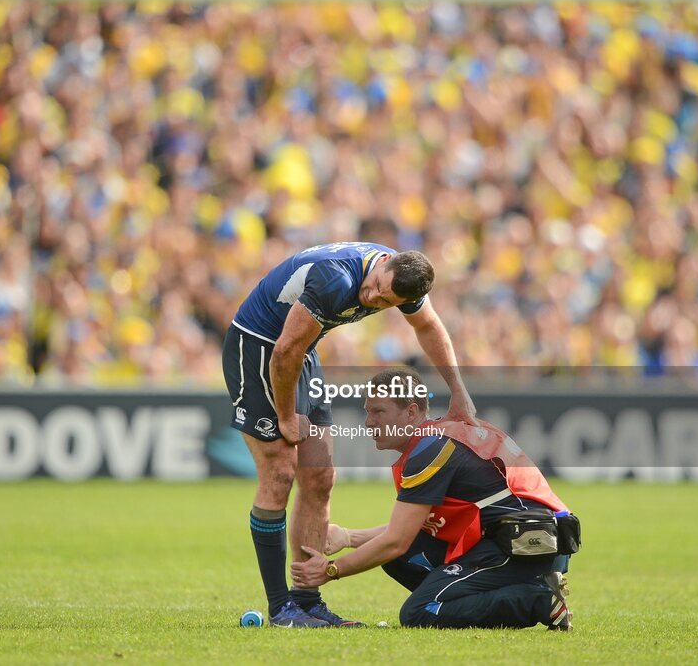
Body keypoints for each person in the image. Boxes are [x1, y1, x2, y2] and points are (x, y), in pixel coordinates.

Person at [222, 243, 478, 627]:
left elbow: (427, 326)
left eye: (385, 301)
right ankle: (281, 608)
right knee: (280, 472)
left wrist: (458, 391)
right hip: (261, 348)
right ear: (384, 263)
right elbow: (284, 351)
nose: (372, 297)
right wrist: (287, 416)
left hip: (301, 352)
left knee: (321, 476)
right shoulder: (336, 279)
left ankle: (307, 601)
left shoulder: (402, 278)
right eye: (376, 287)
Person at [291, 367, 578, 630]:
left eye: (378, 411)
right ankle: (517, 589)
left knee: (419, 612)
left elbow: (396, 539)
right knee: (397, 559)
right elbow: (408, 531)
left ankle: (536, 598)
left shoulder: (431, 450)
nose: (368, 422)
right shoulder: (435, 439)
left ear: (411, 412)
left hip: (525, 548)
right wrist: (348, 537)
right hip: (521, 540)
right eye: (367, 412)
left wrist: (331, 570)